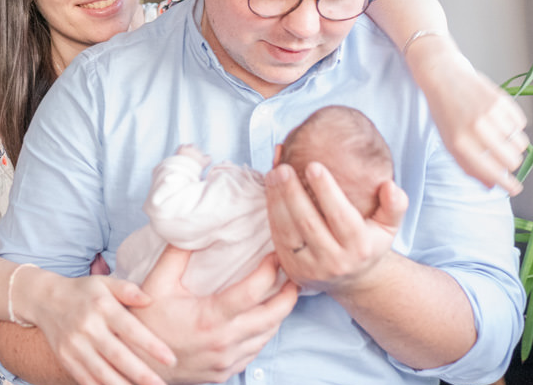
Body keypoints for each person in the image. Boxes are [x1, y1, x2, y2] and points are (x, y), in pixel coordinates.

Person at [0, 0, 527, 385]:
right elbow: (6, 330)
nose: (305, 28)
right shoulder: (96, 92)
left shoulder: (431, 92)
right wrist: (143, 354)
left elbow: (489, 345)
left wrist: (367, 276)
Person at [114, 105, 394, 298]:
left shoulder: (238, 197)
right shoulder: (309, 267)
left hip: (136, 286)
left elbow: (168, 208)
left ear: (277, 156)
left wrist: (184, 164)